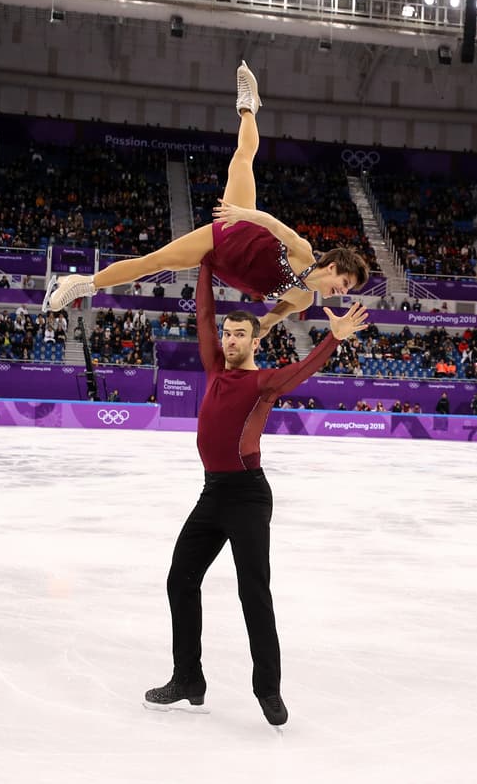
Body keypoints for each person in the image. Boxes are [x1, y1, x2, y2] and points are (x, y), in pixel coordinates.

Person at [143, 259, 369, 726]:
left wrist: (333, 338)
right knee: (180, 579)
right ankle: (188, 679)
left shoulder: (262, 382)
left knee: (253, 592)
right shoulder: (213, 368)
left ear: (255, 341)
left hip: (247, 497)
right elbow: (203, 315)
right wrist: (205, 262)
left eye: (240, 335)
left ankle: (268, 689)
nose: (229, 340)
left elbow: (302, 370)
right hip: (212, 495)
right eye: (228, 334)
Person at [43, 63, 369, 331]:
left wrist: (262, 327)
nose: (342, 291)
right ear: (332, 266)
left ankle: (83, 283)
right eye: (344, 282)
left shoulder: (304, 299)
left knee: (159, 260)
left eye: (347, 289)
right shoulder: (304, 251)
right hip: (235, 232)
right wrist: (243, 214)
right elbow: (273, 224)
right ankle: (248, 107)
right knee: (240, 162)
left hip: (229, 266)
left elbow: (275, 316)